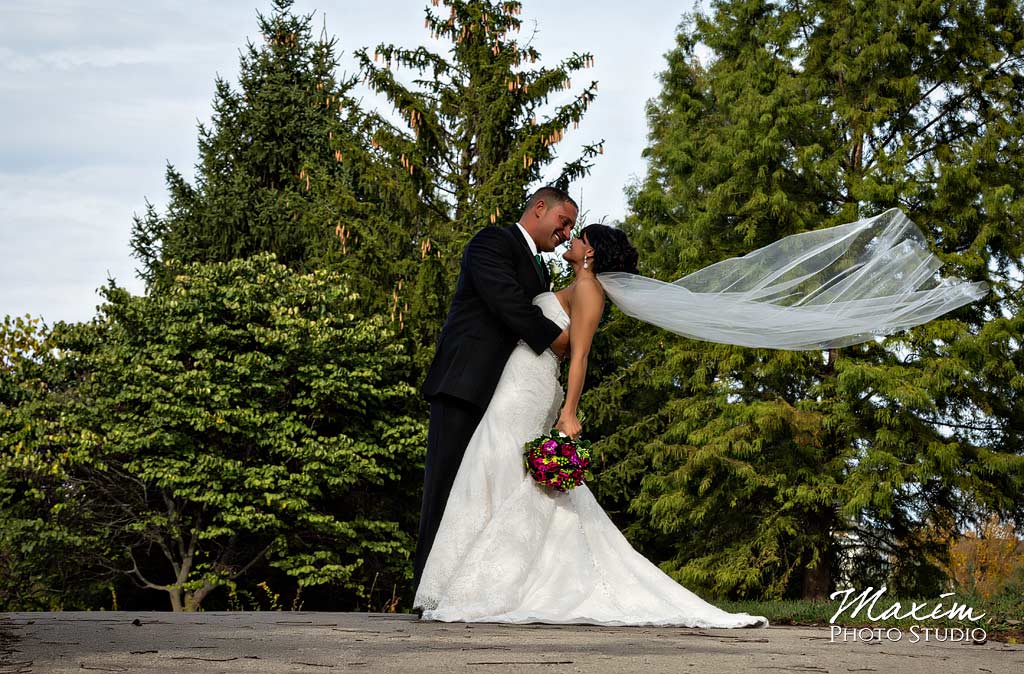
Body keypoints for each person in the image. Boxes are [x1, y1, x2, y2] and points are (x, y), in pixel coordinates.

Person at [412, 223, 770, 627]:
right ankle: (463, 579)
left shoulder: (588, 291)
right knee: (492, 467)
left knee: (493, 464)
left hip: (528, 386)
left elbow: (579, 356)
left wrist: (569, 412)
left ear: (591, 253)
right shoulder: (576, 283)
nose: (570, 239)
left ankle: (486, 583)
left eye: (578, 236)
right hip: (515, 380)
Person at [412, 186, 577, 594]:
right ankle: (427, 591)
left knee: (486, 490)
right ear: (540, 208)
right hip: (465, 384)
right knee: (447, 486)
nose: (567, 232)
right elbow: (506, 301)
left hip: (509, 394)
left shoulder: (542, 271)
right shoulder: (492, 242)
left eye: (572, 227)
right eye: (564, 221)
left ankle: (472, 590)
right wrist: (556, 339)